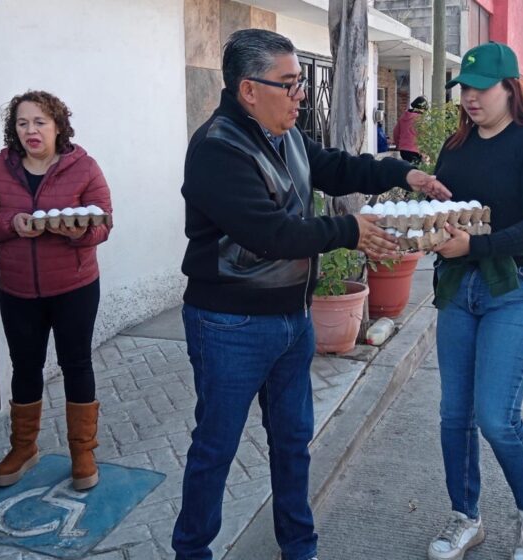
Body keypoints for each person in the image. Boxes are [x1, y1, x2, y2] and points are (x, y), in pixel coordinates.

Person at [173, 29, 450, 560]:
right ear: (249, 90)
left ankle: (299, 547)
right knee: (215, 448)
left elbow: (338, 167)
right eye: (290, 84)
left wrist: (405, 172)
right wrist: (350, 231)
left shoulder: (288, 135)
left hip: (292, 320)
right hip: (230, 325)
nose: (300, 95)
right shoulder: (217, 149)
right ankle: (192, 551)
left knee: (293, 442)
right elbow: (270, 234)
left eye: (301, 83)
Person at [427, 42, 523, 560]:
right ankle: (466, 517)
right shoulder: (456, 145)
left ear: (511, 88)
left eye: (482, 88)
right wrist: (425, 220)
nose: (470, 97)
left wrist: (473, 246)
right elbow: (449, 213)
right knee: (454, 414)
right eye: (464, 87)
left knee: (496, 416)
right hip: (461, 285)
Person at [0, 90, 112, 491]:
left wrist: (78, 233)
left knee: (76, 364)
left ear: (57, 126)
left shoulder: (83, 167)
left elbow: (103, 222)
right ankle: (23, 447)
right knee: (25, 367)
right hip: (18, 290)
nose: (30, 130)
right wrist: (12, 223)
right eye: (22, 123)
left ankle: (82, 450)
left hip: (74, 287)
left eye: (39, 122)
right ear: (13, 129)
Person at [393, 95, 428, 165]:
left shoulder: (403, 117)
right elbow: (423, 136)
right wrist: (424, 153)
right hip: (415, 151)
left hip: (403, 151)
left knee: (407, 168)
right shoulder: (420, 119)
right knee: (416, 169)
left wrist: (399, 145)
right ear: (422, 108)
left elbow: (395, 133)